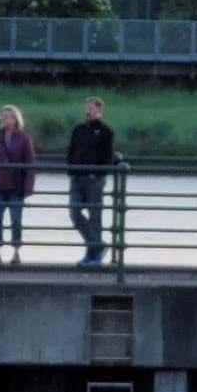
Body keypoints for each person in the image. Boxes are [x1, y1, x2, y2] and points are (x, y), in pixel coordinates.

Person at [0, 104, 37, 266]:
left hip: (16, 186)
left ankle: (16, 252)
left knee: (15, 220)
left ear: (15, 119)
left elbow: (30, 162)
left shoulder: (24, 138)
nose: (5, 119)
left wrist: (28, 187)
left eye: (8, 116)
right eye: (3, 116)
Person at [67, 95, 116, 267]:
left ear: (99, 110)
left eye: (92, 108)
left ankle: (92, 255)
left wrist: (96, 174)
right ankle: (99, 246)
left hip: (94, 180)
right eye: (86, 107)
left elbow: (108, 157)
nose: (88, 110)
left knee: (95, 218)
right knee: (75, 213)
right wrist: (71, 171)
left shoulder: (106, 131)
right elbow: (71, 150)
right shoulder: (78, 129)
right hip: (77, 177)